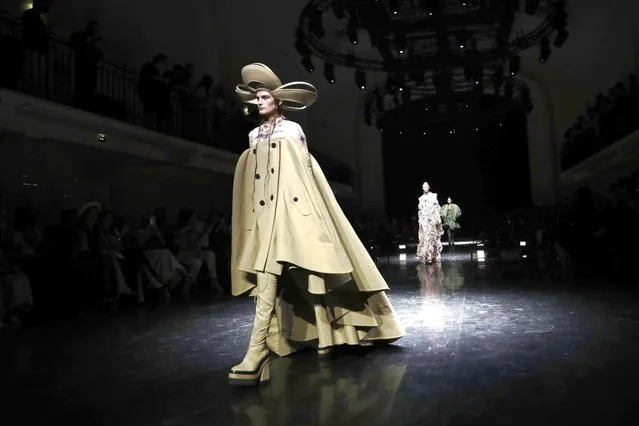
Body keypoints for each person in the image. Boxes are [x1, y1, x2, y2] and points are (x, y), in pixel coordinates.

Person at [228, 63, 405, 386]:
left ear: (278, 100)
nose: (259, 102)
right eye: (256, 98)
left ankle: (307, 340)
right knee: (272, 279)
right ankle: (260, 350)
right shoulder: (253, 136)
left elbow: (305, 178)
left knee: (316, 275)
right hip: (266, 221)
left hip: (294, 217)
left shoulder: (292, 131)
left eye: (264, 96)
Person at [416, 182, 443, 263]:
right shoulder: (421, 198)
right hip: (424, 221)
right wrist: (421, 221)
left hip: (432, 220)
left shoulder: (433, 196)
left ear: (429, 187)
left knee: (433, 238)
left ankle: (433, 256)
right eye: (424, 187)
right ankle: (428, 257)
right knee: (425, 238)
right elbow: (420, 211)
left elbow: (436, 208)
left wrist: (437, 219)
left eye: (426, 187)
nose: (425, 188)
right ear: (422, 188)